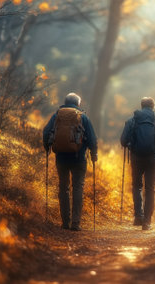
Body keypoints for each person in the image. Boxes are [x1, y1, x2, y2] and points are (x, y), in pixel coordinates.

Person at [43, 93, 97, 231]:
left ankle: (65, 222)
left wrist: (47, 147)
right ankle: (75, 223)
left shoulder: (57, 116)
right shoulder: (82, 117)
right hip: (79, 158)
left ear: (65, 102)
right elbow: (92, 138)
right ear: (78, 104)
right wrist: (93, 153)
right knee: (78, 188)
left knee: (63, 188)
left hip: (61, 157)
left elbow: (46, 132)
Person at [120, 97, 155, 230]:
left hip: (136, 157)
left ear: (142, 106)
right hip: (153, 159)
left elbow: (123, 141)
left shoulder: (132, 121)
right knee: (150, 188)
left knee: (137, 186)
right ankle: (147, 221)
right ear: (153, 107)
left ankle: (138, 216)